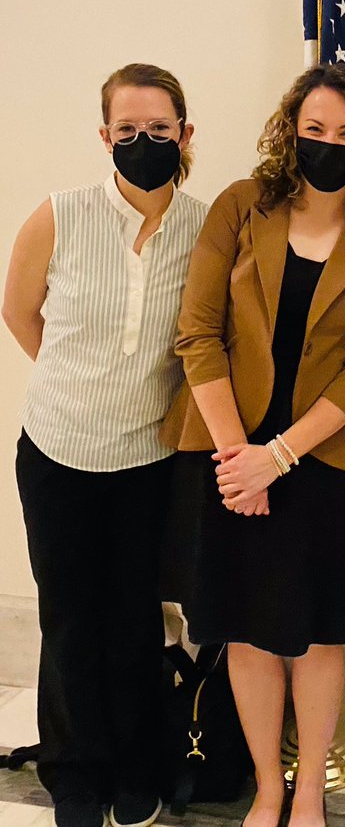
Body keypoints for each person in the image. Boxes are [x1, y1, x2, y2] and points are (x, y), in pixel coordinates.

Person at [160, 65, 345, 827]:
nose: (328, 144)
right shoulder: (243, 205)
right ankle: (268, 783)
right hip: (224, 455)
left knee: (314, 636)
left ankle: (308, 791)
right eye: (314, 129)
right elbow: (197, 332)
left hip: (321, 462)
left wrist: (280, 455)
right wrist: (243, 458)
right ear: (290, 130)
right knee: (244, 628)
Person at [1, 64, 206, 827]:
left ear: (186, 135)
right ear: (104, 137)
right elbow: (19, 311)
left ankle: (138, 766)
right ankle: (74, 771)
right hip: (56, 454)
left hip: (145, 461)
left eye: (159, 130)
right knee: (70, 617)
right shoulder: (58, 215)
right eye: (127, 131)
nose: (143, 142)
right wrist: (78, 387)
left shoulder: (205, 227)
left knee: (133, 617)